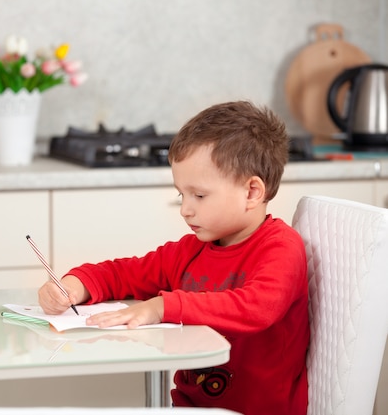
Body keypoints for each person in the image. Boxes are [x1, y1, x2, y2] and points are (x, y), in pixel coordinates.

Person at [37, 100, 309, 415]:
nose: (185, 209)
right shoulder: (189, 250)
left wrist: (163, 306)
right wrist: (75, 285)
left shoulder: (281, 247)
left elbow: (258, 306)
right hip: (188, 406)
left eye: (200, 196)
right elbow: (126, 273)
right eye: (182, 195)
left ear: (252, 192)